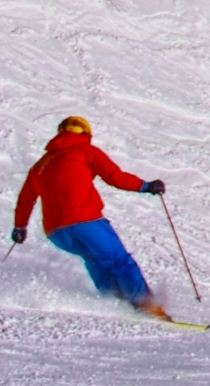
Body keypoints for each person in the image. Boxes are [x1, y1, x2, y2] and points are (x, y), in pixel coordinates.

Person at [12, 114, 172, 317]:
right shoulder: (85, 150)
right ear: (86, 133)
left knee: (94, 259)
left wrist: (20, 227)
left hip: (57, 233)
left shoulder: (40, 165)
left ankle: (114, 304)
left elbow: (26, 199)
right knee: (119, 260)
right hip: (85, 220)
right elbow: (115, 177)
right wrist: (146, 186)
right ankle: (146, 305)